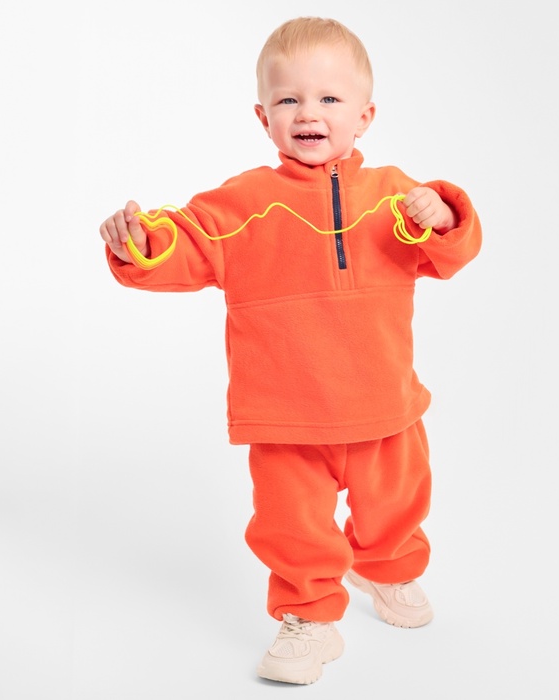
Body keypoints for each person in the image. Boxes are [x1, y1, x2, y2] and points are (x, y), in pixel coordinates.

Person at [99, 16, 482, 685]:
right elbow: (184, 242)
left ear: (364, 116)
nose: (308, 112)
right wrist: (139, 242)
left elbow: (450, 251)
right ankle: (308, 616)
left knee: (396, 503)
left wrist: (444, 215)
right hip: (285, 416)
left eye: (329, 98)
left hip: (384, 406)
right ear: (264, 117)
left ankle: (385, 568)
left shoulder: (394, 196)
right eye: (288, 99)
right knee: (291, 525)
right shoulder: (243, 204)